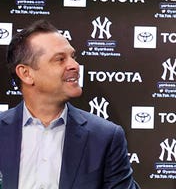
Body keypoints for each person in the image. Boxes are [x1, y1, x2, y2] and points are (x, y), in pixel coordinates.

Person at [0, 19, 140, 189]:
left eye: (73, 57)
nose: (74, 65)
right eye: (60, 59)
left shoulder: (105, 137)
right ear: (26, 73)